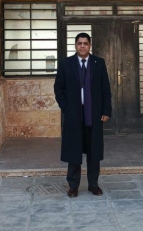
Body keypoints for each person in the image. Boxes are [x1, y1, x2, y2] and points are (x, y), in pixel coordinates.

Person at [53, 32, 111, 198]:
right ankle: (73, 186)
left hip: (94, 114)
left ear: (90, 45)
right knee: (74, 151)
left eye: (85, 43)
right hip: (74, 115)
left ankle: (93, 185)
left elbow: (105, 88)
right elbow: (58, 88)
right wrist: (66, 107)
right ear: (75, 45)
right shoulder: (66, 64)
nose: (83, 46)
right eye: (80, 43)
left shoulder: (98, 63)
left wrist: (106, 110)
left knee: (94, 152)